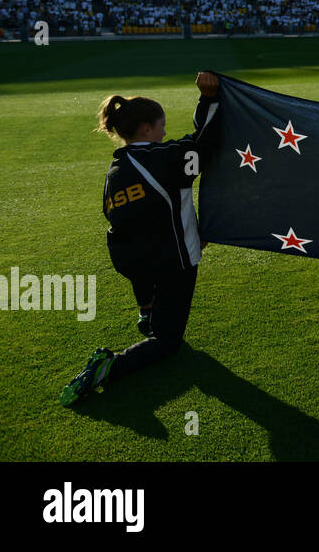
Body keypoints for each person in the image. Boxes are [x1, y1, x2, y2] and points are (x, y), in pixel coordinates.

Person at [61, 71, 222, 407]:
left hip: (137, 261)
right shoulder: (164, 158)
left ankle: (147, 312)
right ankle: (109, 367)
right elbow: (205, 143)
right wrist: (209, 98)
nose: (165, 132)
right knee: (167, 342)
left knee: (152, 298)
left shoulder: (116, 169)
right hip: (172, 262)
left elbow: (131, 221)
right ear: (146, 129)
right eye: (161, 126)